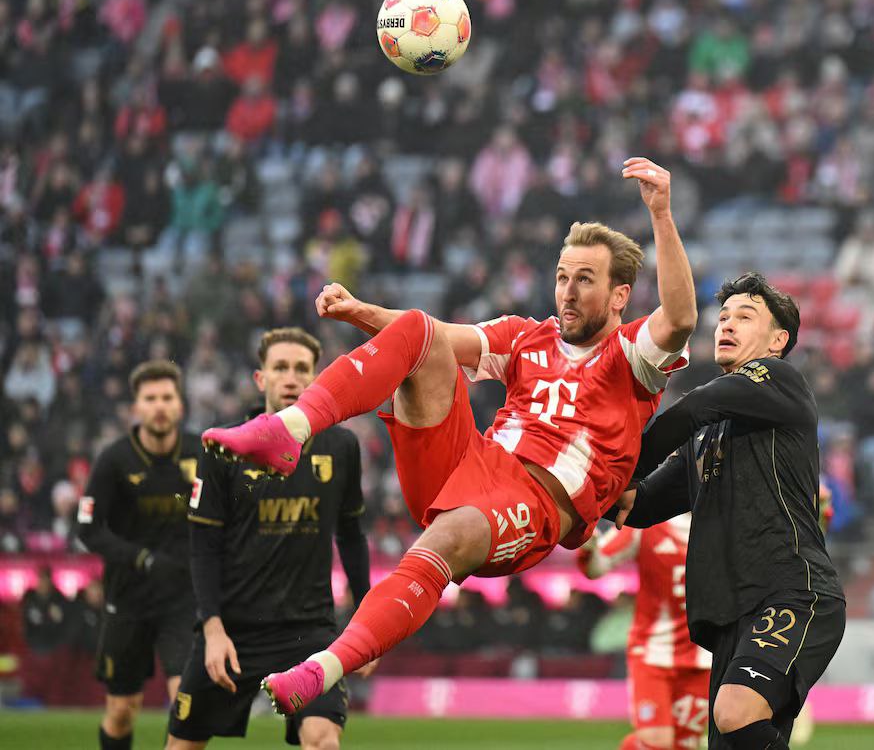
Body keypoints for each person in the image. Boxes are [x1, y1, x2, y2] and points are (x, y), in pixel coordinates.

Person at [202, 157, 698, 714]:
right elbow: (435, 339)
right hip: (469, 464)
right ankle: (289, 429)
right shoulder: (525, 337)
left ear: (619, 296)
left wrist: (661, 214)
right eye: (562, 277)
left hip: (536, 502)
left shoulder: (632, 356)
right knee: (420, 328)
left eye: (585, 280)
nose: (568, 291)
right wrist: (361, 311)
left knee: (443, 540)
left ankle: (323, 669)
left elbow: (680, 317)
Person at [614, 273, 846, 750]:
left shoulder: (779, 379)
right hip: (731, 616)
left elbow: (698, 404)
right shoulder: (704, 437)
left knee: (735, 711)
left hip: (792, 592)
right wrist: (582, 484)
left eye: (745, 316)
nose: (727, 324)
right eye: (722, 317)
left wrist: (627, 462)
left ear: (777, 341)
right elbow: (638, 506)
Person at [166, 328, 372, 749]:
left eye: (301, 369)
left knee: (323, 741)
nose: (291, 378)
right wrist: (213, 629)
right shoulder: (224, 448)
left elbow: (351, 536)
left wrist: (368, 624)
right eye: (280, 368)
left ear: (316, 379)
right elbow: (203, 546)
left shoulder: (342, 447)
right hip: (233, 630)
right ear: (261, 379)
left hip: (309, 633)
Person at [77, 360, 201, 750]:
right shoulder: (113, 460)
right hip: (128, 599)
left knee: (187, 704)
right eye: (150, 398)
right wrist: (141, 558)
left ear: (180, 405)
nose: (159, 406)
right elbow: (88, 529)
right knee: (122, 711)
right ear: (136, 407)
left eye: (166, 397)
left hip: (183, 601)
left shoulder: (201, 453)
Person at [578, 515, 711, 750]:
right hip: (653, 653)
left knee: (684, 744)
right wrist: (587, 546)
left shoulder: (724, 523)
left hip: (704, 657)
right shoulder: (648, 521)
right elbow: (596, 567)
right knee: (657, 742)